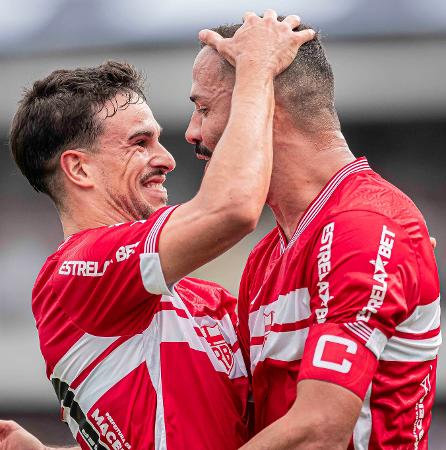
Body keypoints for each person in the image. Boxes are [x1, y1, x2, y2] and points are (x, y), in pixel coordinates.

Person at [6, 11, 315, 450]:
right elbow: (230, 210)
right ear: (79, 168)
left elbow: (152, 428)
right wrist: (256, 71)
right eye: (139, 142)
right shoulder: (75, 272)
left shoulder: (199, 299)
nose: (168, 159)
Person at [184, 19, 441, 449]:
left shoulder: (363, 226)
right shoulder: (268, 254)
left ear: (262, 107)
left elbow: (320, 431)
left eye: (205, 110)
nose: (192, 131)